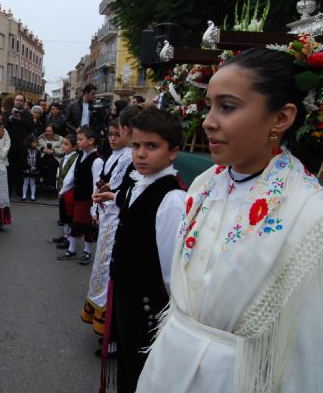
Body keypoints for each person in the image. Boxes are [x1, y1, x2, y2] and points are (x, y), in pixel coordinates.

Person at [137, 47, 323, 392]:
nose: (208, 121)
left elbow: (310, 348)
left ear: (281, 118)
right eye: (209, 105)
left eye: (228, 106)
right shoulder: (205, 184)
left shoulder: (310, 215)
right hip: (167, 365)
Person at [107, 107, 185, 392]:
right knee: (128, 367)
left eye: (152, 146)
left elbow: (170, 270)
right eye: (137, 145)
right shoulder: (142, 184)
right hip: (128, 297)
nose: (140, 154)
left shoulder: (172, 199)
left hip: (147, 306)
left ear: (173, 151)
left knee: (142, 372)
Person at [81, 117, 134, 342]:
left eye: (116, 134)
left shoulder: (129, 157)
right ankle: (105, 323)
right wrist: (97, 208)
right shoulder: (113, 157)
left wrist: (104, 200)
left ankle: (111, 329)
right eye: (110, 134)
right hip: (107, 216)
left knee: (109, 270)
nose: (112, 138)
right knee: (102, 268)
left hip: (116, 218)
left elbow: (120, 189)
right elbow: (105, 183)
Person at [57, 128, 103, 264]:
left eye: (80, 139)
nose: (78, 142)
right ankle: (72, 249)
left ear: (91, 141)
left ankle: (87, 251)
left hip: (88, 199)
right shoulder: (80, 156)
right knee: (74, 223)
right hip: (78, 197)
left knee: (87, 226)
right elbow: (71, 175)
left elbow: (97, 182)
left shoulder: (97, 160)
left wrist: (95, 204)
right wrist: (63, 190)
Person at [53, 134, 79, 249]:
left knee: (69, 216)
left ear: (74, 147)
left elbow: (71, 177)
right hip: (62, 189)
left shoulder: (75, 158)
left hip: (68, 191)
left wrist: (62, 190)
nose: (63, 146)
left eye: (66, 144)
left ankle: (69, 238)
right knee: (63, 215)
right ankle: (64, 235)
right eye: (63, 144)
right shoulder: (64, 157)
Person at [6, 94, 34, 196]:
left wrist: (20, 120)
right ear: (14, 101)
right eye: (17, 100)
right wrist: (10, 118)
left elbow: (31, 127)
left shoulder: (28, 114)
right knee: (9, 169)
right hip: (9, 146)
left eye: (21, 100)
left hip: (22, 146)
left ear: (24, 102)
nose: (19, 102)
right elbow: (3, 126)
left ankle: (19, 191)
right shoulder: (7, 113)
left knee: (20, 170)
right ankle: (8, 191)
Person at [38, 124, 65, 189]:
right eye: (46, 131)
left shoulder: (60, 139)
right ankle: (40, 179)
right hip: (43, 156)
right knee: (39, 162)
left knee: (51, 163)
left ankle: (50, 182)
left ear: (53, 132)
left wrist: (53, 151)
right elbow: (36, 145)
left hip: (55, 157)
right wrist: (42, 149)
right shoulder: (40, 138)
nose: (47, 133)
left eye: (49, 131)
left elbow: (64, 149)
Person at [20, 134, 42, 201]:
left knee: (32, 182)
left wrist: (35, 167)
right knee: (25, 182)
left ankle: (33, 195)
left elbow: (39, 161)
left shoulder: (37, 151)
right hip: (27, 169)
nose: (35, 144)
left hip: (34, 169)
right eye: (34, 142)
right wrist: (29, 167)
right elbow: (23, 160)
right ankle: (24, 195)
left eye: (36, 142)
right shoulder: (25, 150)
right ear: (29, 143)